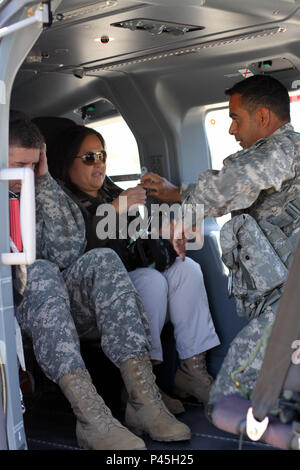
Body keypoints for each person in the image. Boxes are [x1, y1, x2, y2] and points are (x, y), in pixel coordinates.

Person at [9, 112, 191, 450]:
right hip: (14, 304)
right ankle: (91, 418)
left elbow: (67, 252)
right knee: (40, 271)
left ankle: (142, 401)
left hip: (54, 308)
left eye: (30, 166)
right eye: (16, 165)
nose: (23, 175)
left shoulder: (41, 188)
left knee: (101, 260)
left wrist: (44, 180)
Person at [140, 74, 300, 403]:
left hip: (288, 306)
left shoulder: (275, 150)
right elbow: (251, 194)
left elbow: (233, 183)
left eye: (235, 118)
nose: (231, 130)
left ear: (263, 117)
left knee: (228, 400)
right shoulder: (289, 154)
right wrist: (178, 195)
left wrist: (182, 220)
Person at [47, 124, 220, 411]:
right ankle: (141, 386)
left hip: (131, 280)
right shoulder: (61, 201)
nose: (99, 163)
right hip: (87, 300)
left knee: (186, 269)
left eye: (102, 155)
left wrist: (159, 237)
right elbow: (74, 253)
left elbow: (132, 244)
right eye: (89, 158)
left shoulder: (109, 191)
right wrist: (114, 210)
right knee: (150, 281)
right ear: (67, 163)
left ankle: (192, 371)